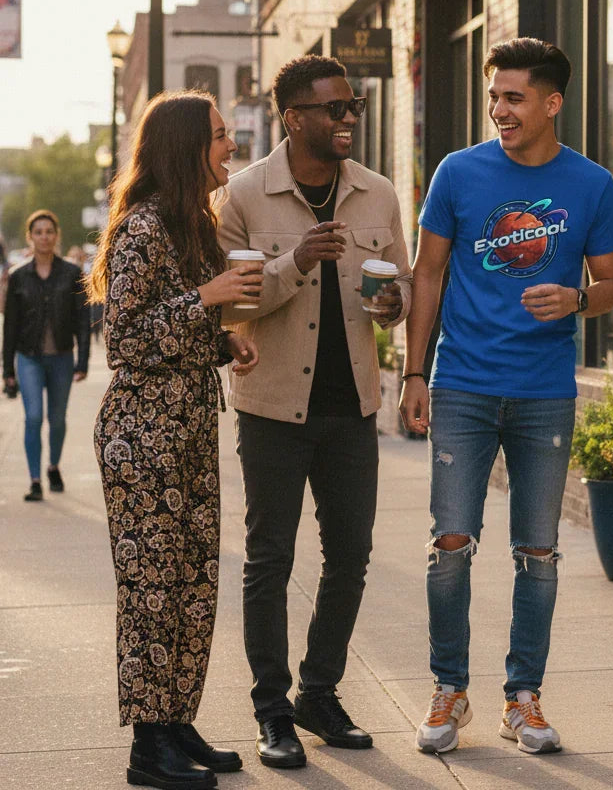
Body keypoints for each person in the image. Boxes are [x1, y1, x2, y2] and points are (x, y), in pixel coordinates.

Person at [399, 37, 613, 756]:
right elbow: (426, 274)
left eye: (514, 98)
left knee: (539, 552)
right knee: (451, 544)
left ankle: (522, 699)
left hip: (544, 390)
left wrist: (578, 299)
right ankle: (448, 690)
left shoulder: (591, 185)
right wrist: (414, 373)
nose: (499, 109)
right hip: (463, 383)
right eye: (494, 96)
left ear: (553, 103)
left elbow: (611, 287)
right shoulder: (458, 173)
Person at [217, 54, 411, 769]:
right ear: (293, 117)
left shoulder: (377, 193)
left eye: (352, 106)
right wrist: (294, 262)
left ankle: (318, 692)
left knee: (351, 558)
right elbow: (231, 303)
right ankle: (272, 712)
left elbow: (403, 288)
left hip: (354, 407)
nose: (348, 119)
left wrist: (395, 306)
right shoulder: (242, 195)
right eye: (333, 108)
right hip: (272, 409)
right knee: (268, 560)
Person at [90, 92, 261, 790]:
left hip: (186, 433)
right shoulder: (140, 230)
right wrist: (209, 300)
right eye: (220, 136)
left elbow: (175, 330)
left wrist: (224, 343)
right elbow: (123, 341)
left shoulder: (190, 225)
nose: (230, 147)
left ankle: (175, 720)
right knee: (151, 592)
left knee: (194, 586)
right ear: (186, 145)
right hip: (143, 439)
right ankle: (146, 748)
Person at [3, 210, 90, 501]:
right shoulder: (18, 277)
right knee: (33, 417)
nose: (44, 237)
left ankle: (53, 466)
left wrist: (83, 361)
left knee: (58, 418)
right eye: (38, 232)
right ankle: (35, 480)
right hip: (28, 357)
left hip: (62, 357)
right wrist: (7, 371)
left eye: (49, 231)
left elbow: (82, 319)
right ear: (31, 237)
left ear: (57, 235)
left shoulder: (72, 273)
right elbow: (11, 326)